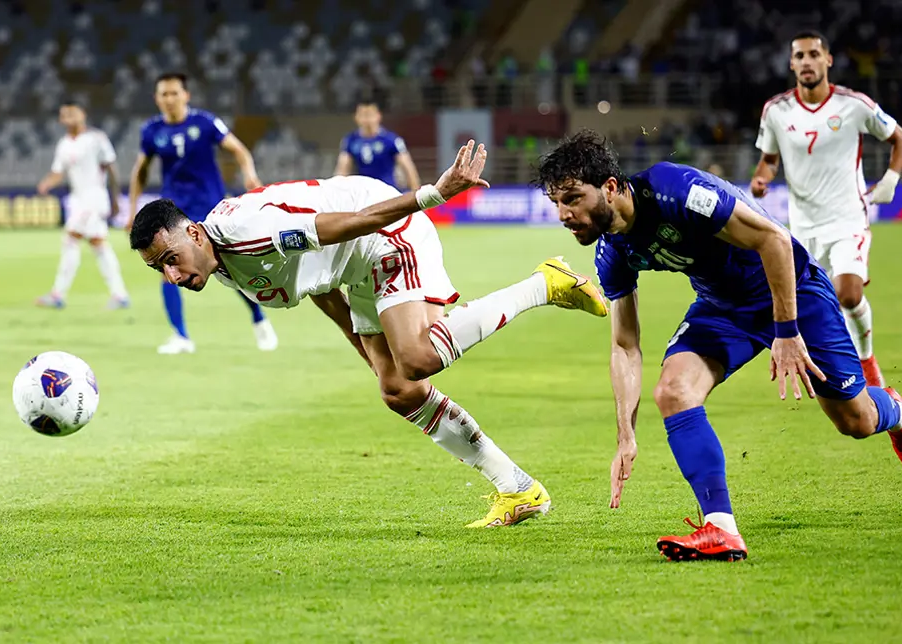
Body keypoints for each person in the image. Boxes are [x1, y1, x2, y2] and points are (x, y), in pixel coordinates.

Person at [129, 141, 609, 527]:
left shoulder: (246, 233)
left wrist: (431, 196)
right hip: (351, 266)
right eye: (159, 269)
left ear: (193, 234)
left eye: (170, 259)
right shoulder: (226, 268)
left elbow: (348, 225)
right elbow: (318, 285)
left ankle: (543, 284)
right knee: (399, 389)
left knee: (417, 358)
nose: (171, 276)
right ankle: (518, 488)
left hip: (380, 228)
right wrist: (366, 352)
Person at [536, 130, 902, 561]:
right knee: (674, 391)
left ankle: (896, 411)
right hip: (722, 307)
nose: (564, 214)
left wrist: (787, 331)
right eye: (557, 204)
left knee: (855, 421)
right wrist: (626, 433)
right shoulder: (612, 252)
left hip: (791, 291)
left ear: (608, 187)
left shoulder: (675, 192)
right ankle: (720, 528)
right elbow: (625, 346)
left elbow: (772, 239)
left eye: (571, 199)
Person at [751, 31, 902, 387]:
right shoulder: (776, 111)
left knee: (849, 294)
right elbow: (769, 160)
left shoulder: (854, 105)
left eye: (813, 54)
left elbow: (901, 137)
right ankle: (837, 369)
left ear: (828, 60)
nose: (806, 61)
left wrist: (890, 181)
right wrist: (761, 179)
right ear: (792, 64)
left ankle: (867, 362)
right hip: (803, 227)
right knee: (815, 305)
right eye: (799, 56)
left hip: (847, 219)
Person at [128, 72, 278, 354]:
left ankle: (259, 319)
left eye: (174, 93)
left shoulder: (205, 122)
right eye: (164, 94)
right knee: (167, 269)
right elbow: (141, 170)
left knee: (228, 266)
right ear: (156, 98)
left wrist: (250, 175)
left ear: (186, 95)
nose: (169, 99)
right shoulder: (151, 131)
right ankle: (181, 336)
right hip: (172, 213)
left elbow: (239, 150)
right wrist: (133, 208)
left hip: (210, 208)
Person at [36, 101, 130, 309]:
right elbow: (59, 172)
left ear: (83, 115)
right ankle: (119, 294)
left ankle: (58, 294)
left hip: (94, 198)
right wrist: (46, 184)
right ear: (61, 120)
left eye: (72, 113)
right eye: (64, 114)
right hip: (78, 200)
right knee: (98, 244)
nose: (68, 118)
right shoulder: (64, 144)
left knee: (71, 239)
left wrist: (116, 199)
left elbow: (111, 168)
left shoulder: (96, 139)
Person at [334, 100, 421, 191]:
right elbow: (342, 169)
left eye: (370, 115)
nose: (367, 120)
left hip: (387, 191)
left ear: (378, 116)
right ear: (356, 117)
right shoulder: (350, 141)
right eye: (363, 115)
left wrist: (415, 191)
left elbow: (408, 166)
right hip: (363, 192)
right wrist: (337, 191)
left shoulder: (391, 140)